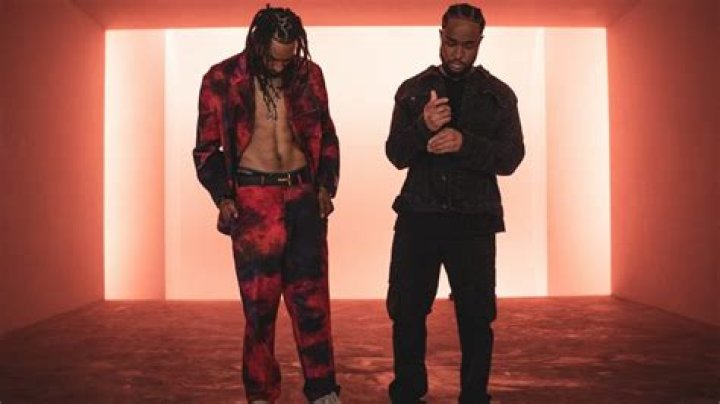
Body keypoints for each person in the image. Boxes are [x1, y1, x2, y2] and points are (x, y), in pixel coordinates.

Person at [193, 6, 340, 404]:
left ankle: (323, 390)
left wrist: (325, 186)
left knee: (313, 303)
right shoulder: (221, 79)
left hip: (302, 197)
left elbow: (327, 135)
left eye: (287, 58)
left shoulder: (309, 76)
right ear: (257, 44)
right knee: (259, 309)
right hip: (254, 203)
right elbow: (206, 149)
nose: (280, 66)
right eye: (273, 58)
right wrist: (223, 196)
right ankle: (261, 394)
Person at [384, 3, 525, 403]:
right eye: (451, 43)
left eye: (468, 45)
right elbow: (395, 154)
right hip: (418, 219)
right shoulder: (413, 90)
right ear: (440, 37)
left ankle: (474, 396)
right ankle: (408, 392)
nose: (458, 53)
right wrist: (422, 127)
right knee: (407, 313)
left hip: (474, 222)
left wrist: (466, 144)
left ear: (480, 43)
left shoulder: (499, 95)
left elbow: (511, 157)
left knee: (476, 318)